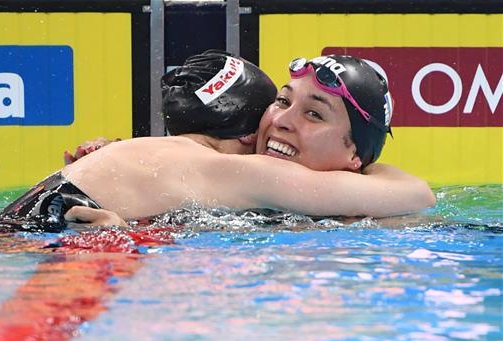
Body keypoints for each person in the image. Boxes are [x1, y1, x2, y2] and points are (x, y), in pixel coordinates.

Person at [25, 50, 433, 228]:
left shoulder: (202, 170)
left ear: (352, 154)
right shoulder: (248, 172)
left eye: (313, 113)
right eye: (281, 102)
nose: (282, 122)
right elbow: (418, 196)